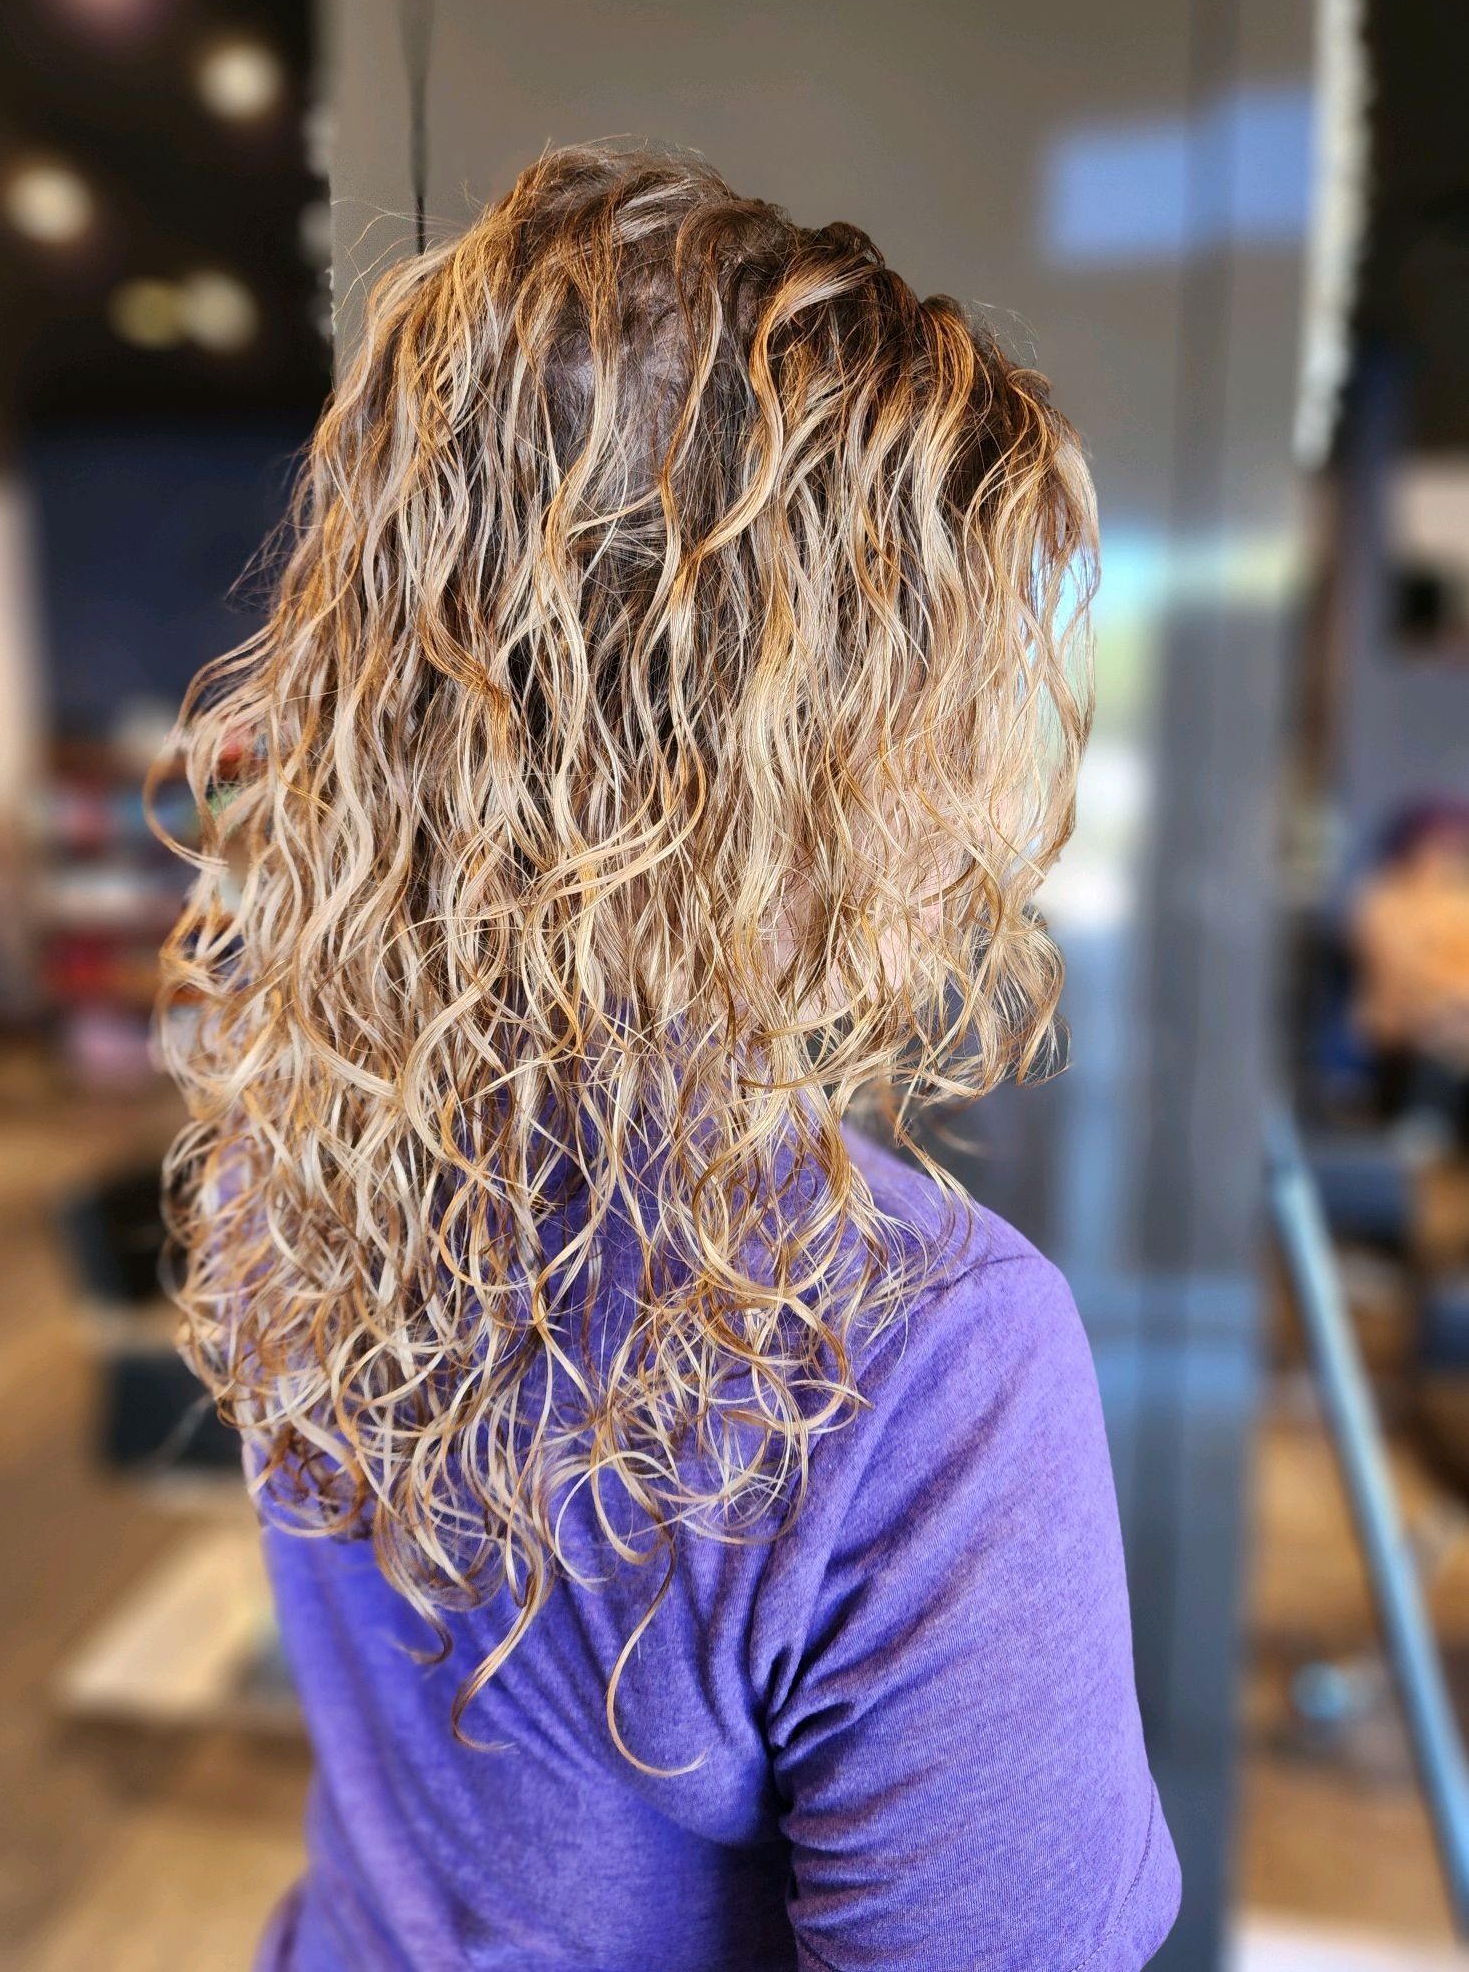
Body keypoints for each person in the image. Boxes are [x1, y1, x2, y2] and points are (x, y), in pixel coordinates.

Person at [152, 142, 1181, 1972]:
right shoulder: (928, 1365)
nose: (991, 784)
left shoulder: (293, 1123)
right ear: (811, 757)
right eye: (959, 697)